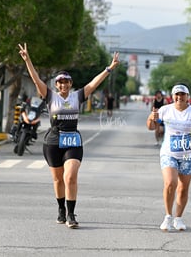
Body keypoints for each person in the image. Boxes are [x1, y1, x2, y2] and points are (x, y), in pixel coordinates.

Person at [18, 43, 119, 229]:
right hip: (53, 141)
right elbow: (35, 79)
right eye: (60, 82)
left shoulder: (78, 96)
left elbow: (94, 83)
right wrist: (27, 60)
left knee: (70, 177)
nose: (63, 84)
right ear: (56, 85)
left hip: (73, 140)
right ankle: (61, 210)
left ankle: (71, 214)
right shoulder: (49, 96)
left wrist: (109, 68)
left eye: (66, 82)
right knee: (57, 179)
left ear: (70, 84)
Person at [146, 83, 191, 231]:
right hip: (168, 153)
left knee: (183, 189)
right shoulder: (165, 110)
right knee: (170, 183)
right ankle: (167, 216)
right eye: (176, 94)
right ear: (172, 97)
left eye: (182, 94)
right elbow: (151, 127)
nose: (179, 97)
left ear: (187, 97)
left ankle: (178, 218)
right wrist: (152, 118)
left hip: (187, 155)